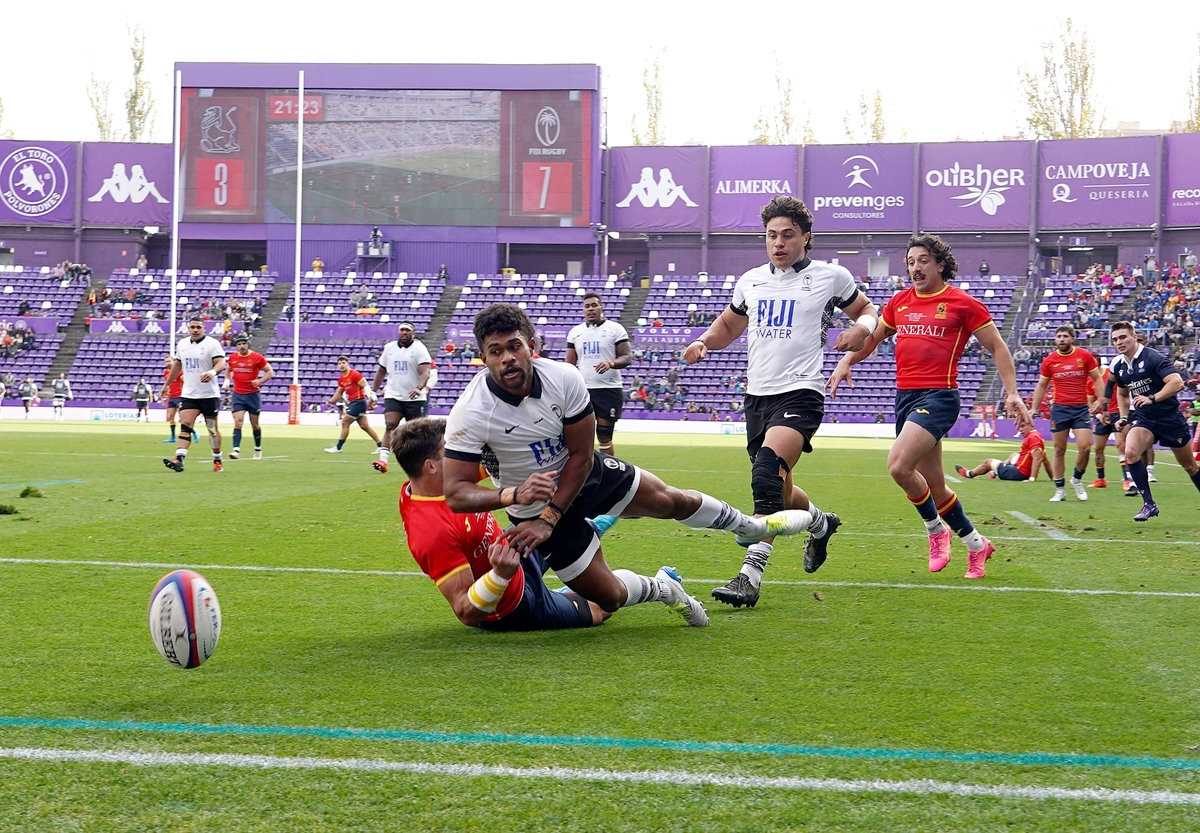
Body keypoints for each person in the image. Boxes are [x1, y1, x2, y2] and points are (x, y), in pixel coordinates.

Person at [442, 303, 815, 627]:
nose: (506, 357)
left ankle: (748, 527)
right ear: (483, 356)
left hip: (584, 476)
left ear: (532, 347)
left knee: (672, 501)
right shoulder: (471, 411)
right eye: (494, 351)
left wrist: (552, 516)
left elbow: (582, 456)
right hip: (532, 510)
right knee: (610, 599)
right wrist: (514, 495)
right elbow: (456, 493)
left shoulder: (564, 378)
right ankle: (664, 589)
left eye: (514, 346)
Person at [683, 195, 879, 608]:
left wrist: (861, 330)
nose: (779, 243)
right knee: (784, 489)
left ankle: (749, 576)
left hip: (802, 392)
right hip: (757, 397)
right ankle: (822, 524)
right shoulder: (751, 280)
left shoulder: (831, 277)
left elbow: (867, 310)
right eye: (772, 235)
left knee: (767, 476)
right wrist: (703, 342)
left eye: (788, 235)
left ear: (806, 238)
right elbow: (727, 325)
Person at [829, 233, 1031, 580]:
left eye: (923, 260)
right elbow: (873, 338)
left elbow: (998, 347)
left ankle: (936, 531)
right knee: (936, 488)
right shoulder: (899, 302)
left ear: (940, 264)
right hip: (905, 397)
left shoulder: (962, 303)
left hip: (939, 397)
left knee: (898, 466)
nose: (915, 267)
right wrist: (847, 360)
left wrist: (1012, 393)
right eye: (910, 262)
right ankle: (977, 544)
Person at [394, 417, 624, 631]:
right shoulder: (431, 532)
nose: (461, 453)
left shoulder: (442, 481)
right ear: (430, 467)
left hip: (510, 548)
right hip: (512, 606)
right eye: (451, 448)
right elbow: (465, 611)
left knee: (552, 522)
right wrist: (500, 576)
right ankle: (659, 583)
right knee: (603, 606)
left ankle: (602, 520)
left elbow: (502, 462)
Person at [1106, 321, 1200, 521]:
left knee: (1190, 466)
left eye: (1123, 337)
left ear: (1133, 337)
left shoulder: (1152, 357)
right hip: (1144, 418)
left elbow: (1177, 383)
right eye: (1115, 339)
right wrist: (1124, 417)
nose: (1119, 342)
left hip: (1169, 418)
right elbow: (1122, 394)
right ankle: (1149, 504)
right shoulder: (1120, 365)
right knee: (1131, 453)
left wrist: (1152, 398)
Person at [1029, 324, 1103, 502]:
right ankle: (1060, 489)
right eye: (1059, 336)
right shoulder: (1050, 360)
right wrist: (1033, 408)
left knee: (1085, 447)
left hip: (1080, 409)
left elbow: (1097, 378)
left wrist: (1100, 400)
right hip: (1060, 409)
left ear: (1072, 338)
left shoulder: (1084, 356)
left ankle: (1077, 480)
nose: (1061, 339)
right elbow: (1042, 385)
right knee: (1058, 450)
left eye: (1065, 336)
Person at [565, 292, 632, 457]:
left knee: (604, 434)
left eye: (594, 305)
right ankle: (584, 473)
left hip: (608, 389)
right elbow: (569, 364)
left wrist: (611, 363)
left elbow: (627, 357)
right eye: (587, 306)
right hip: (582, 390)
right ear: (583, 310)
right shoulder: (575, 332)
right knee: (578, 436)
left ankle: (609, 475)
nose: (591, 309)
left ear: (601, 307)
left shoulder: (615, 329)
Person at [162, 317, 227, 473]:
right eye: (192, 327)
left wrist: (212, 372)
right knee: (185, 425)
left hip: (209, 395)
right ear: (188, 328)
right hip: (189, 394)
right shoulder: (182, 344)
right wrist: (166, 385)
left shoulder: (212, 344)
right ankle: (179, 459)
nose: (195, 330)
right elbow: (177, 366)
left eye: (198, 327)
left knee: (211, 429)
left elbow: (221, 363)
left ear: (204, 328)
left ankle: (217, 458)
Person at [371, 322, 431, 474]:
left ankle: (421, 461)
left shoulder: (419, 348)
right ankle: (383, 460)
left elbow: (425, 372)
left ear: (413, 333)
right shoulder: (389, 348)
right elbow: (381, 371)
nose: (404, 333)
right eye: (402, 330)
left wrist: (419, 388)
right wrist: (373, 391)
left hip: (414, 398)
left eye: (407, 330)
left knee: (416, 432)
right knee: (391, 425)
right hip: (393, 394)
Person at [223, 334, 274, 460]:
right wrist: (226, 381)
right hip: (238, 394)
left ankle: (257, 449)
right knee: (238, 421)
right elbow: (228, 370)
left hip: (252, 395)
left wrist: (260, 381)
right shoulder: (233, 358)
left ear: (247, 344)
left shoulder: (257, 357)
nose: (242, 346)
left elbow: (270, 371)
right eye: (239, 344)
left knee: (254, 424)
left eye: (244, 344)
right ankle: (236, 450)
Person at [955, 419, 1049, 481]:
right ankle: (997, 470)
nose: (1020, 430)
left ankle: (969, 473)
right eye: (1019, 427)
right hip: (1022, 470)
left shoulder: (1032, 438)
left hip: (1018, 473)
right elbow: (1045, 460)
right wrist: (1053, 477)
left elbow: (1037, 458)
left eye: (1023, 426)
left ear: (1030, 425)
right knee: (1014, 455)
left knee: (988, 462)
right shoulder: (1037, 435)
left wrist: (1032, 478)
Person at [325, 355, 384, 454]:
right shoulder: (341, 379)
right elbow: (339, 392)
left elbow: (365, 385)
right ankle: (381, 446)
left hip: (358, 401)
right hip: (354, 403)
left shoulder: (354, 374)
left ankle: (338, 447)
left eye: (343, 363)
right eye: (339, 363)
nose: (341, 365)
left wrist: (371, 397)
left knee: (345, 422)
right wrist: (331, 401)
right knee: (364, 426)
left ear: (348, 364)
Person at [160, 356, 184, 443]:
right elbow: (167, 384)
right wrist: (163, 392)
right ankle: (173, 437)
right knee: (171, 416)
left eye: (169, 361)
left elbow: (184, 381)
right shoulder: (166, 372)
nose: (167, 363)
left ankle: (191, 433)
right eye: (166, 361)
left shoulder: (179, 372)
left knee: (182, 418)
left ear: (173, 361)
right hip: (171, 396)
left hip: (180, 396)